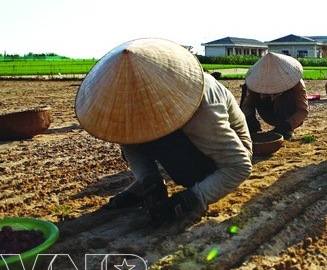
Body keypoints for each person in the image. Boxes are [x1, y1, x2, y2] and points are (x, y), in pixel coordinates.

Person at [75, 38, 253, 226]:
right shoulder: (135, 105)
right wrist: (149, 182)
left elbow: (238, 166)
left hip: (217, 163)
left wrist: (190, 198)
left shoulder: (201, 107)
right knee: (131, 132)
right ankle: (145, 186)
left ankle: (189, 187)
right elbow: (130, 144)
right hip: (187, 145)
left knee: (166, 148)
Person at [240, 52, 308, 140]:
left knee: (288, 95)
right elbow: (247, 105)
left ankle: (285, 131)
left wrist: (287, 124)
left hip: (286, 114)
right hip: (268, 112)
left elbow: (303, 111)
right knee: (246, 87)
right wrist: (250, 118)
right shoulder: (255, 82)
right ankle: (248, 127)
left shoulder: (296, 83)